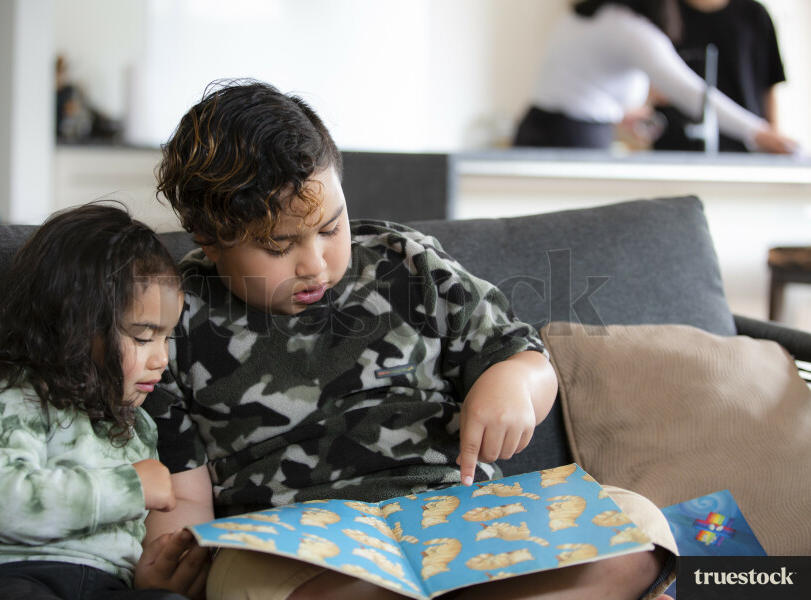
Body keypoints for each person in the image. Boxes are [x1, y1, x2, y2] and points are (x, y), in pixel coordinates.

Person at [141, 78, 678, 600]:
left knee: (639, 529)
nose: (315, 264)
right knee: (245, 582)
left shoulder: (407, 261)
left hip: (460, 523)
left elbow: (521, 355)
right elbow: (181, 487)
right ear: (208, 238)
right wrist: (170, 560)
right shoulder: (171, 318)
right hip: (301, 546)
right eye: (279, 246)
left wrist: (514, 383)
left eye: (330, 228)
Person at [0, 204, 201, 600]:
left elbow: (121, 543)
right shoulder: (14, 402)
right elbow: (1, 503)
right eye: (143, 337)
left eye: (166, 338)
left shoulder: (139, 429)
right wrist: (129, 486)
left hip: (105, 585)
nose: (162, 359)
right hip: (8, 572)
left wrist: (148, 570)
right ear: (75, 328)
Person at [512, 0, 795, 154]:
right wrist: (758, 132)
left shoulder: (587, 15)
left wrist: (620, 113)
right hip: (575, 139)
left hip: (537, 127)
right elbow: (692, 94)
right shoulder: (631, 30)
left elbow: (578, 88)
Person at [651, 0, 786, 152]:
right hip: (674, 149)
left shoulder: (754, 14)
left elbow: (769, 86)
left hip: (744, 150)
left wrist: (771, 137)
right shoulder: (661, 12)